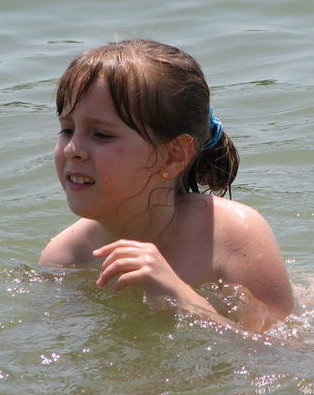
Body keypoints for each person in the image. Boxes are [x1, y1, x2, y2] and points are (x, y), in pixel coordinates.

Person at [39, 39, 294, 332]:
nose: (73, 149)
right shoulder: (65, 260)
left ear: (173, 156)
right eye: (67, 129)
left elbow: (281, 350)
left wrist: (181, 296)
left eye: (102, 135)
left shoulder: (233, 236)